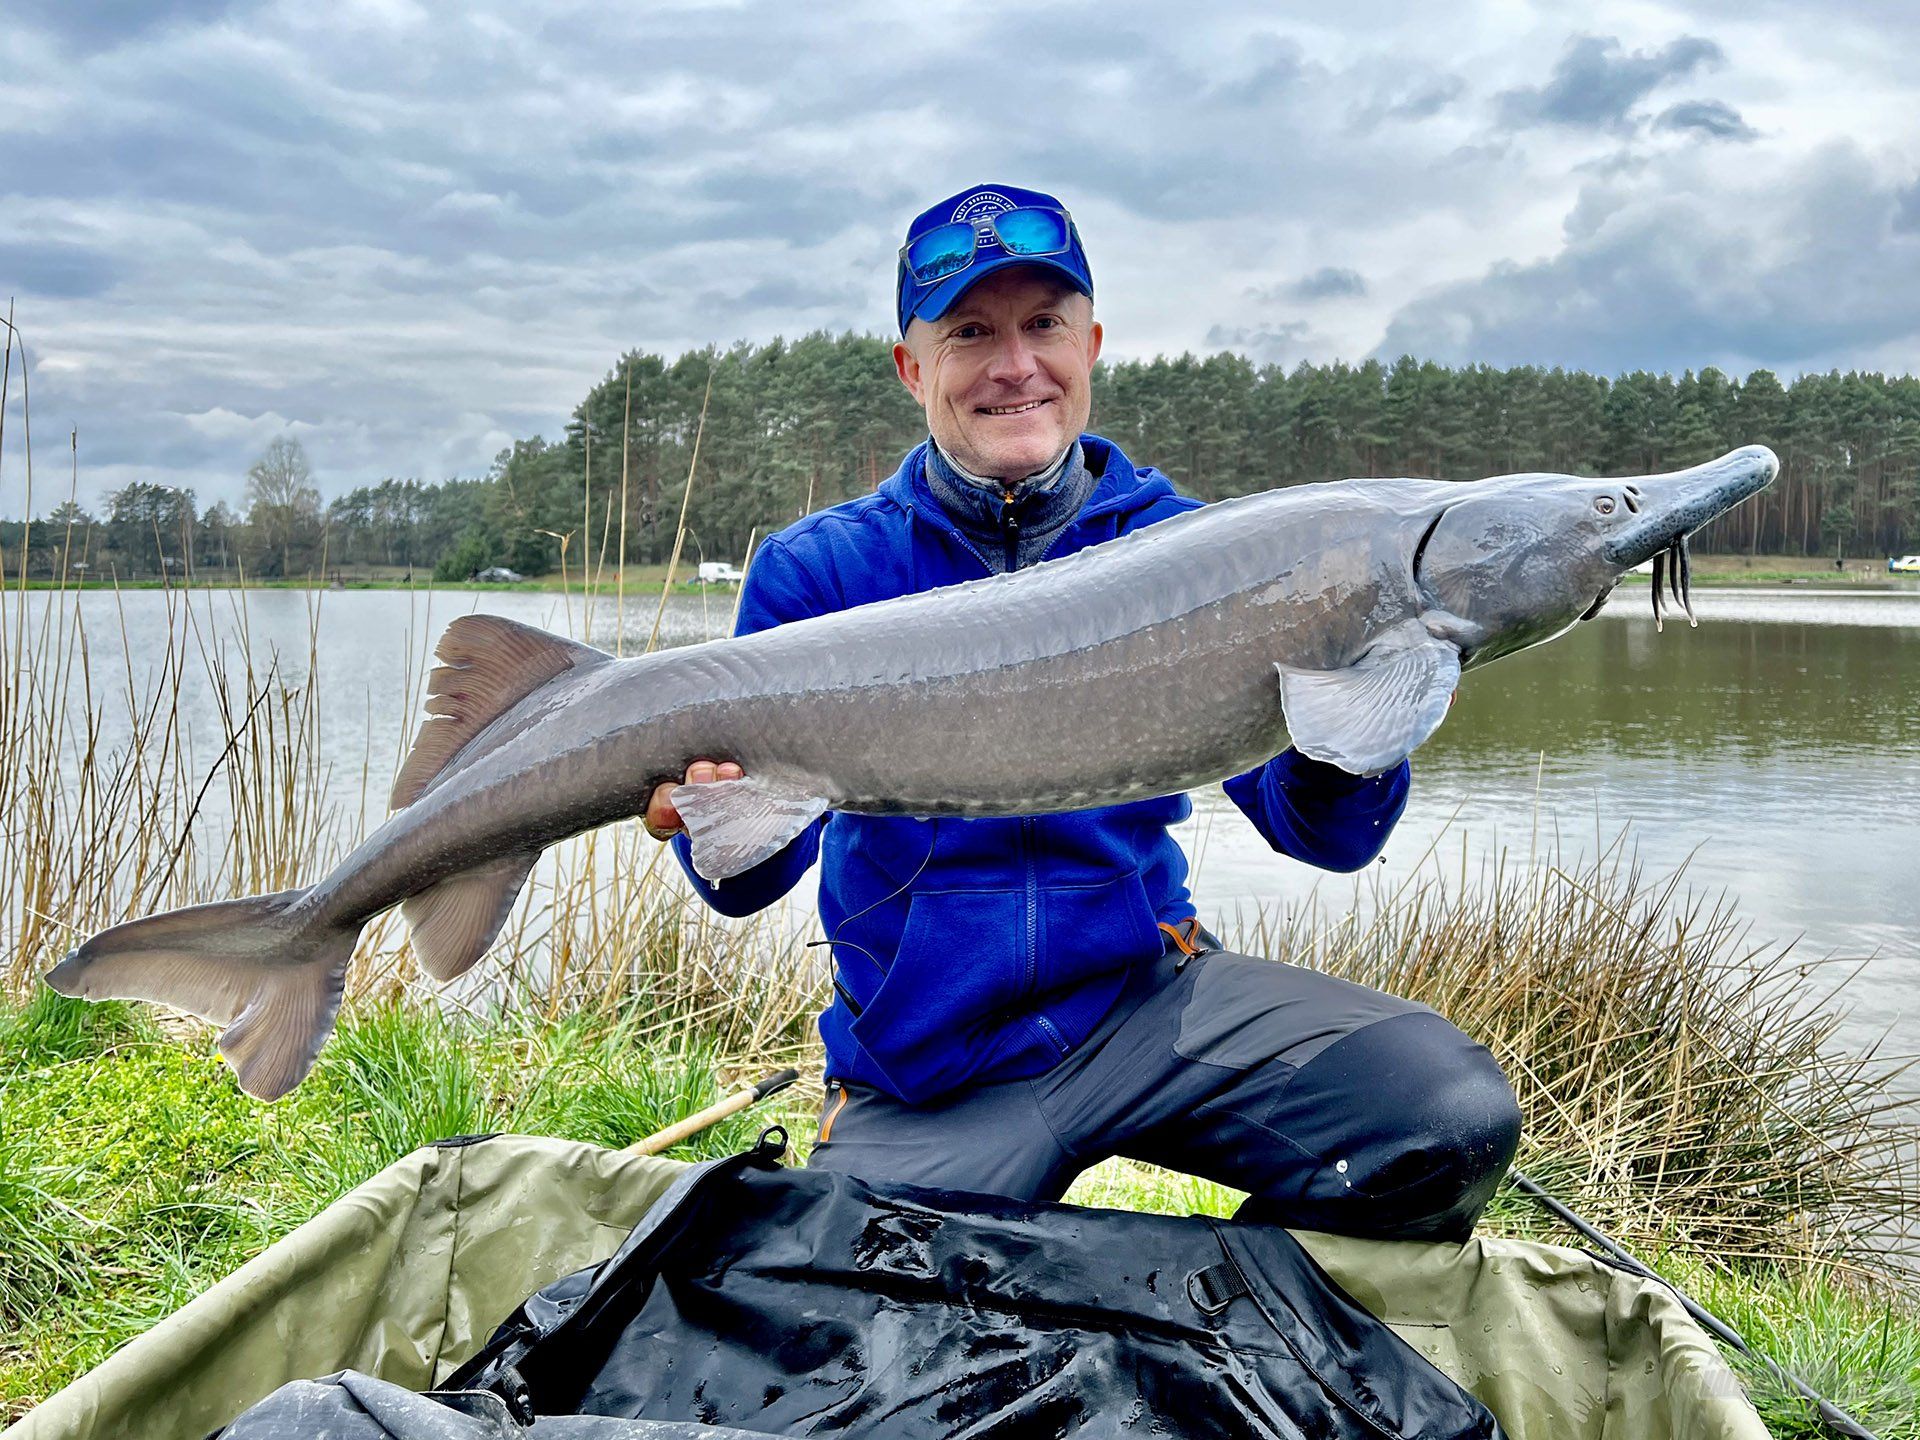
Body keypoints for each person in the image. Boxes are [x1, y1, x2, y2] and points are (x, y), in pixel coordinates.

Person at [645, 184, 1521, 1241]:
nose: (1015, 364)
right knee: (861, 1314)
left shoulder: (1205, 549)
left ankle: (1218, 1329)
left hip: (1150, 1011)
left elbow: (1323, 838)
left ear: (1092, 343)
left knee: (1444, 1119)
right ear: (911, 366)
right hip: (928, 1065)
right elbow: (750, 883)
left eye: (1043, 325)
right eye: (971, 331)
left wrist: (1370, 697)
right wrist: (709, 818)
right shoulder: (821, 572)